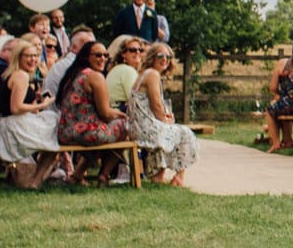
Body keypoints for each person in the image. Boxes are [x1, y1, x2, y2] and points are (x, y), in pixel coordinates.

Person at [0, 37, 62, 188]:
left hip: (10, 124)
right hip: (14, 125)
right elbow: (16, 108)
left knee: (54, 133)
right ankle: (36, 181)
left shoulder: (15, 74)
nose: (33, 59)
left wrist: (34, 99)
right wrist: (42, 104)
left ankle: (34, 180)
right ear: (19, 57)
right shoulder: (21, 76)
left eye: (35, 55)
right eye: (28, 56)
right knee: (57, 130)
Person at [57, 39, 130, 184]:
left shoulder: (72, 75)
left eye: (105, 55)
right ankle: (104, 174)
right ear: (86, 57)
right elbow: (105, 113)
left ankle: (77, 175)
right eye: (97, 55)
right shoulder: (95, 77)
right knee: (127, 128)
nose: (102, 58)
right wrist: (123, 115)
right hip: (86, 133)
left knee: (104, 133)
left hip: (65, 132)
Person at [128, 43, 199, 185]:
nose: (165, 59)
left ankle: (159, 175)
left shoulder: (145, 74)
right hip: (144, 129)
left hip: (138, 127)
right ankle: (178, 177)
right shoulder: (152, 74)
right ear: (152, 58)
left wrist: (165, 118)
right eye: (160, 56)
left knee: (170, 132)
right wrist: (165, 119)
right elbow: (156, 106)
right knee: (185, 133)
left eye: (168, 56)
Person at [104, 35, 143, 108]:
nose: (138, 52)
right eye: (132, 50)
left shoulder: (118, 69)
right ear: (123, 54)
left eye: (140, 50)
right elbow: (135, 101)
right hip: (120, 114)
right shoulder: (127, 71)